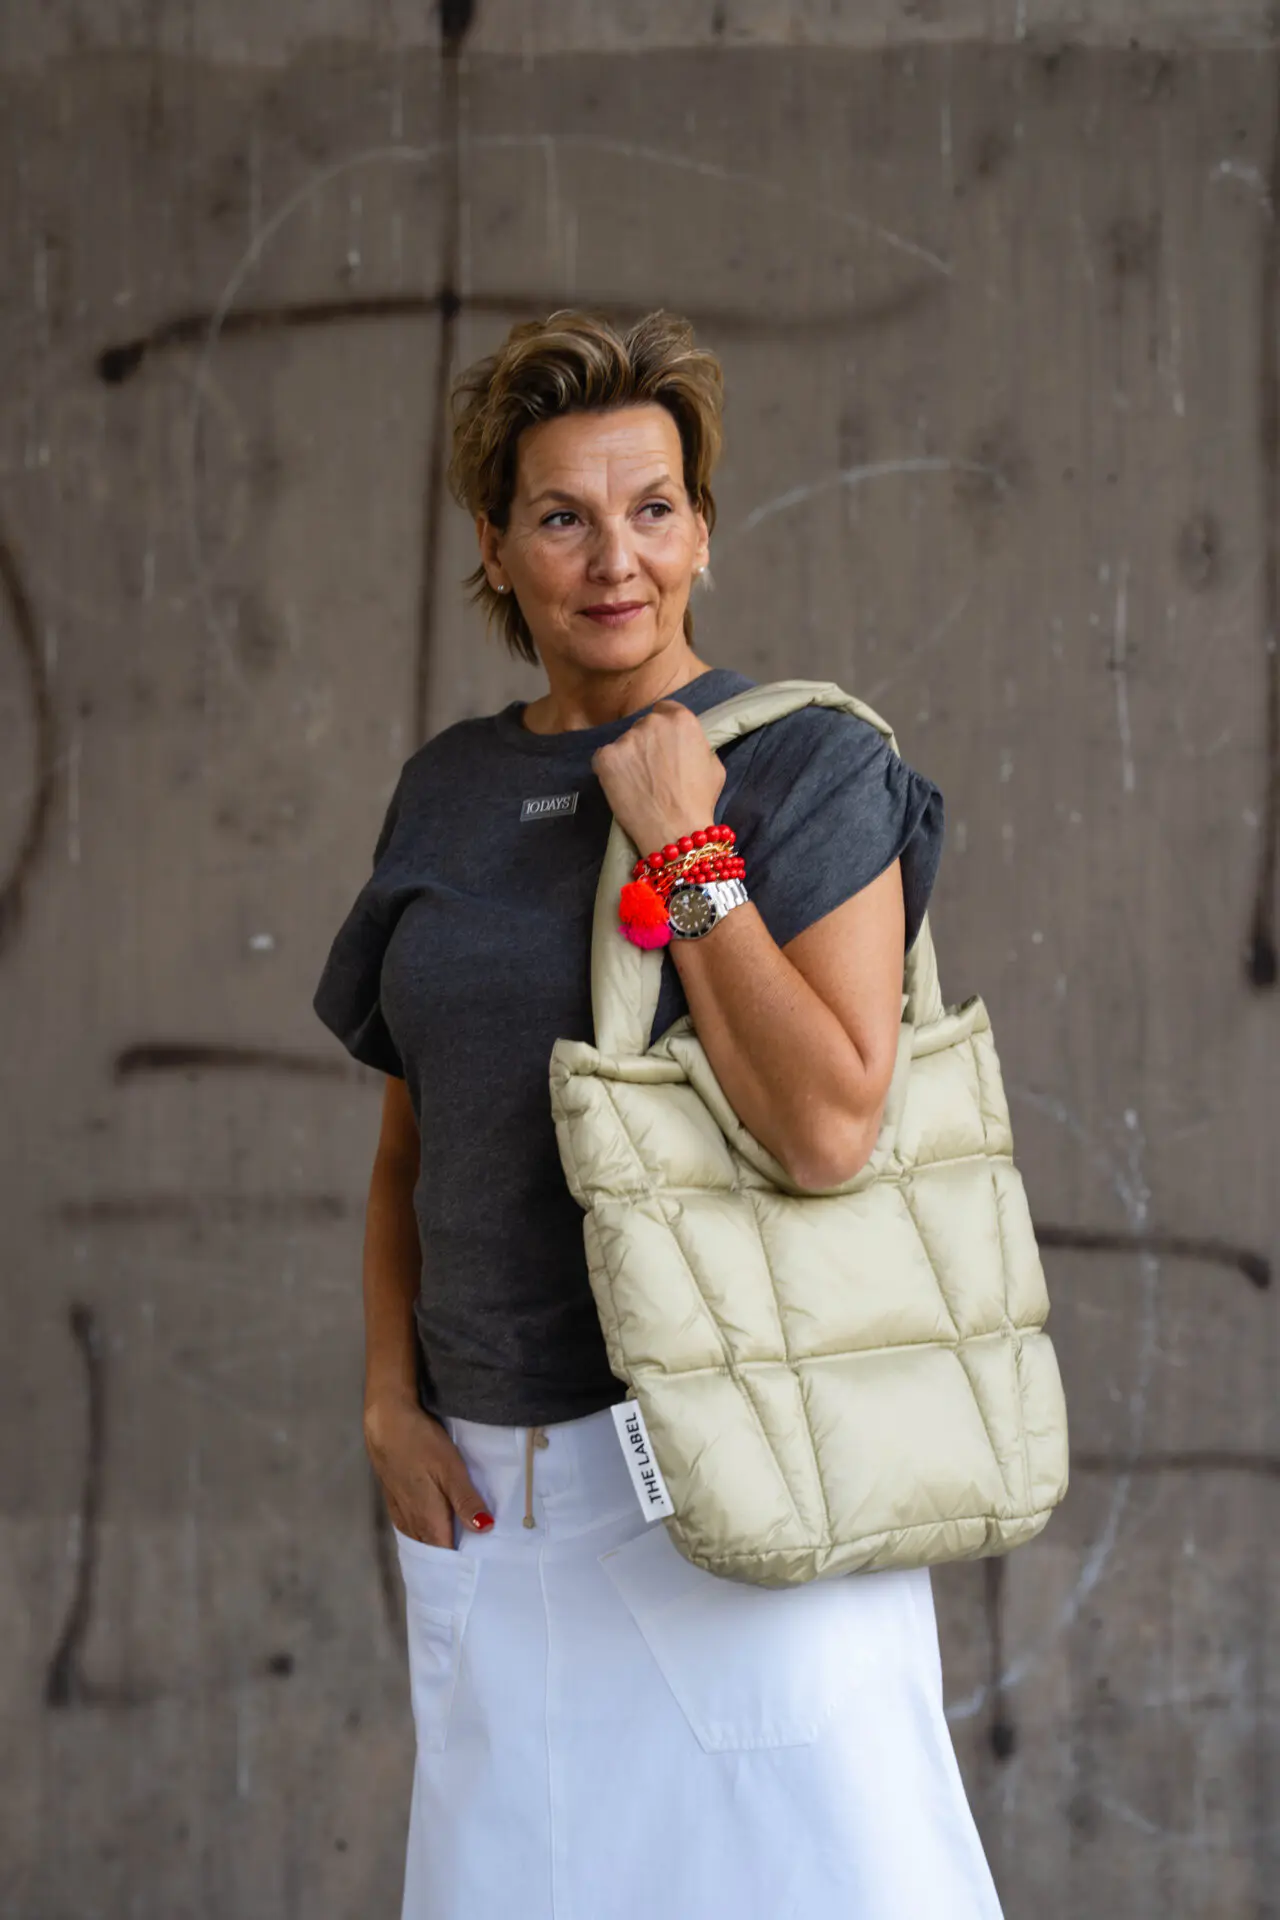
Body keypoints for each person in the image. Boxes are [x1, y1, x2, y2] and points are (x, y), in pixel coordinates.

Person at [312, 308, 1004, 1919]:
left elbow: (828, 1124)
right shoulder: (446, 791)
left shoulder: (809, 767)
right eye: (562, 515)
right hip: (494, 1506)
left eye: (652, 508)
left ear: (701, 529)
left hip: (743, 1472)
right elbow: (412, 1142)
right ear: (495, 547)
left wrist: (692, 853)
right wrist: (387, 1402)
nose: (613, 557)